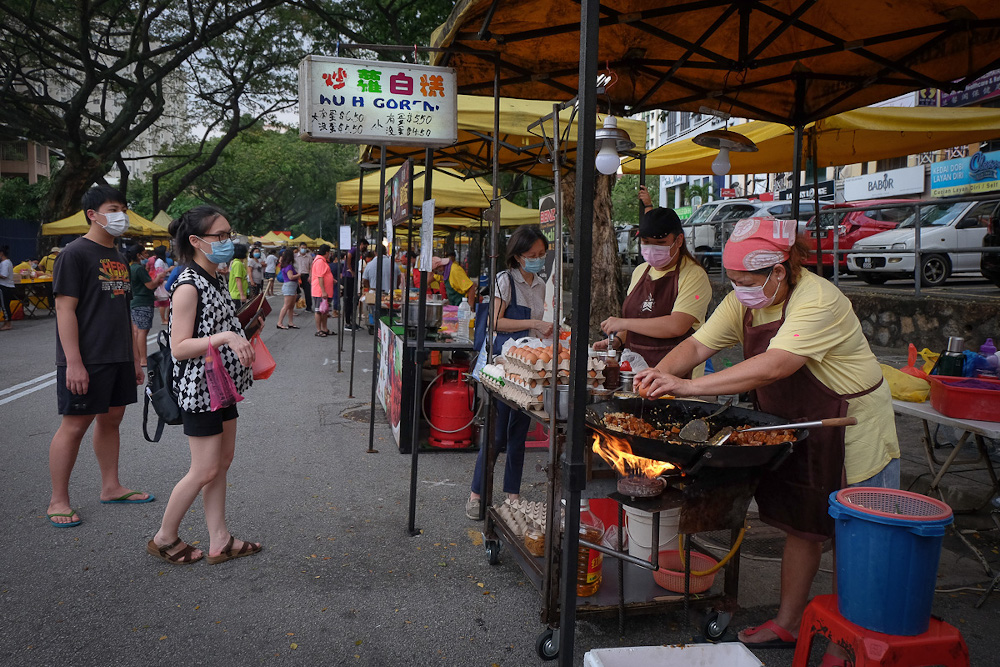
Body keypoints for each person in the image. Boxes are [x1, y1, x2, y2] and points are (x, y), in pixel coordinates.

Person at [635, 218, 900, 666]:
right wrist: (663, 373)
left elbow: (776, 365)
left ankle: (848, 643)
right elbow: (698, 344)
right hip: (796, 425)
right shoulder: (746, 301)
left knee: (856, 540)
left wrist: (688, 388)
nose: (739, 290)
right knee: (802, 527)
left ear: (779, 270)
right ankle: (788, 623)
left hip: (850, 427)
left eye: (746, 281)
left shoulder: (819, 299)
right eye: (733, 281)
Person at [148, 205, 260, 565]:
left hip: (222, 385)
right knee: (204, 469)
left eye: (230, 234)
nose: (229, 241)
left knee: (222, 462)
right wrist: (227, 336)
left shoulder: (215, 277)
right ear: (196, 241)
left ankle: (219, 539)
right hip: (200, 392)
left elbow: (212, 328)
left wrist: (241, 330)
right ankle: (164, 537)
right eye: (221, 236)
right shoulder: (187, 285)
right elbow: (179, 348)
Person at [46, 185, 152, 528]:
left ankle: (111, 486)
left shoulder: (118, 256)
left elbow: (122, 311)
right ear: (92, 214)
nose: (120, 214)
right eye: (113, 207)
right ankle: (58, 500)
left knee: (112, 420)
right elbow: (65, 310)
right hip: (87, 358)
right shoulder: (74, 254)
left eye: (123, 207)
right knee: (75, 425)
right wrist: (73, 362)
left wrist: (135, 357)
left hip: (118, 355)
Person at [467, 225, 553, 520]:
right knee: (496, 435)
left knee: (519, 433)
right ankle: (477, 493)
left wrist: (548, 335)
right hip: (502, 369)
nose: (538, 259)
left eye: (542, 254)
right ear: (517, 257)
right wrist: (535, 323)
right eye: (532, 255)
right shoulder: (505, 281)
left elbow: (535, 331)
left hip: (525, 371)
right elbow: (495, 323)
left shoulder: (541, 285)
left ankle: (512, 496)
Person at [593, 186, 712, 371]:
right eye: (646, 242)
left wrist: (623, 323)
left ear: (679, 241)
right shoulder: (640, 271)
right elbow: (636, 320)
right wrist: (618, 340)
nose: (652, 249)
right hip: (634, 370)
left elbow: (677, 325)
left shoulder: (694, 275)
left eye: (660, 243)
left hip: (677, 373)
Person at [127, 244, 164, 366]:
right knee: (143, 331)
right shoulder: (139, 268)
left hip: (134, 301)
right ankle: (143, 359)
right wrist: (158, 277)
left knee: (137, 331)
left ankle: (137, 357)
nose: (147, 255)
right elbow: (149, 285)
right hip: (143, 302)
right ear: (138, 255)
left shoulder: (131, 267)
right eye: (145, 253)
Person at [342, 238, 368, 330]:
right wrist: (350, 269)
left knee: (353, 299)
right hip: (349, 277)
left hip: (351, 276)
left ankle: (352, 321)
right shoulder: (354, 249)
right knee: (349, 299)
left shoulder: (356, 251)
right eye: (365, 245)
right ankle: (348, 322)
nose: (365, 248)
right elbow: (348, 256)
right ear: (362, 244)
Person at [310, 244, 336, 337]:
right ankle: (319, 329)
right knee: (319, 311)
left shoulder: (322, 261)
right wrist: (323, 291)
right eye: (329, 252)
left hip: (325, 291)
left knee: (325, 311)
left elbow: (324, 275)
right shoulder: (320, 261)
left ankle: (324, 328)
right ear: (326, 252)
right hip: (320, 291)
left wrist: (332, 280)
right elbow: (320, 277)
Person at [276, 248, 301, 330]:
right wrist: (299, 275)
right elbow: (291, 277)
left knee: (290, 306)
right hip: (290, 286)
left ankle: (290, 322)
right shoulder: (289, 266)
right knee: (286, 306)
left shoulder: (284, 265)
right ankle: (279, 322)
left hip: (290, 286)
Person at [149, 246, 170, 325]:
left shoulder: (161, 261)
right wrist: (169, 269)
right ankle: (163, 319)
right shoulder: (159, 261)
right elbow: (160, 272)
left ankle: (166, 318)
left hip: (164, 281)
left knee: (167, 301)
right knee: (163, 302)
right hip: (162, 282)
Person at [228, 243, 248, 308]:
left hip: (236, 294)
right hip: (237, 295)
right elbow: (238, 279)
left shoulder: (235, 262)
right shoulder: (238, 264)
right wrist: (242, 294)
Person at [294, 242, 313, 312]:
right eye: (302, 248)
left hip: (306, 275)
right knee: (294, 292)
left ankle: (309, 307)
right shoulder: (295, 257)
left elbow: (311, 268)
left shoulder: (309, 257)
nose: (303, 249)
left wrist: (310, 276)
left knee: (308, 292)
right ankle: (292, 308)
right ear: (299, 248)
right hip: (296, 276)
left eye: (305, 248)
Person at [0, 245, 15, 330]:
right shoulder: (8, 262)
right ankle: (7, 322)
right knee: (5, 305)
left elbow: (4, 275)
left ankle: (8, 323)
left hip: (4, 286)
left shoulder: (5, 263)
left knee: (5, 306)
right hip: (8, 286)